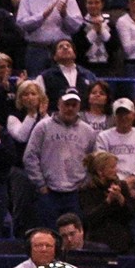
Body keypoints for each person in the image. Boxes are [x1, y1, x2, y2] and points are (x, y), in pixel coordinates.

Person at [25, 90, 96, 228]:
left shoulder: (88, 131)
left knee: (75, 234)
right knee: (49, 233)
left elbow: (94, 161)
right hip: (49, 192)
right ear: (59, 104)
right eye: (66, 104)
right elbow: (30, 156)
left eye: (74, 105)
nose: (70, 108)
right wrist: (41, 184)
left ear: (79, 107)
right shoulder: (43, 127)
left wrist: (86, 183)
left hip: (76, 194)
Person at [16, 0, 84, 73]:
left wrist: (65, 15)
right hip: (37, 50)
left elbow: (76, 26)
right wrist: (42, 16)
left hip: (62, 51)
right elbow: (22, 24)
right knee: (36, 81)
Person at [78, 151, 134, 254]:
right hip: (98, 241)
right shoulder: (87, 190)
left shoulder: (122, 186)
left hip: (122, 240)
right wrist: (108, 201)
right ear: (100, 171)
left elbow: (130, 216)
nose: (116, 170)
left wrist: (120, 198)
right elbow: (90, 218)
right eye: (112, 167)